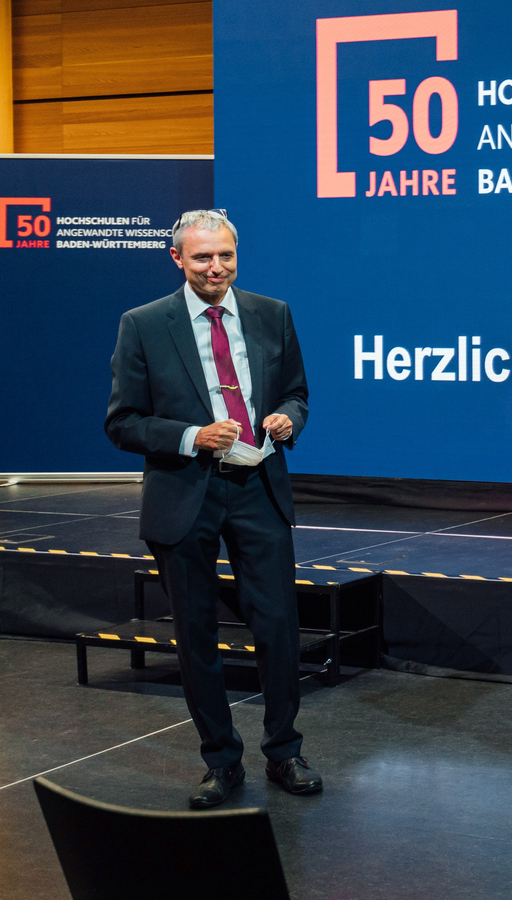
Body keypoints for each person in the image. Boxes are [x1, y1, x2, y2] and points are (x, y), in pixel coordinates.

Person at [105, 209, 318, 808]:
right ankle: (221, 761)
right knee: (195, 633)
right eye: (202, 257)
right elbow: (122, 422)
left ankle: (284, 752)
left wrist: (288, 419)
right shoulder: (144, 324)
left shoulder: (272, 313)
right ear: (177, 259)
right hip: (184, 494)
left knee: (278, 626)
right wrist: (190, 436)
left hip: (259, 486)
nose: (216, 267)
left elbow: (297, 393)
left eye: (225, 255)